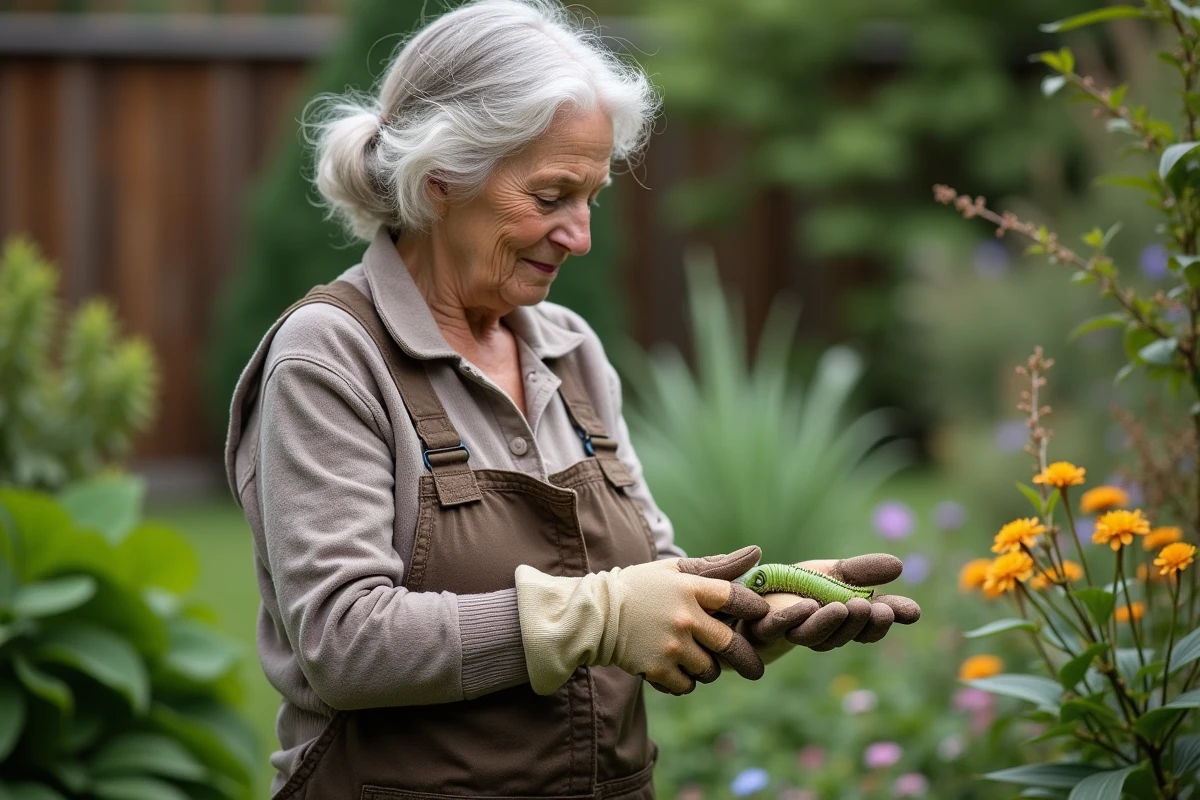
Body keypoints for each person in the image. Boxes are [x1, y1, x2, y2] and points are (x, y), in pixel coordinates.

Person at [223, 1, 920, 797]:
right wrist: (604, 617)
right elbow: (344, 642)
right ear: (442, 176)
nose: (580, 235)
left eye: (590, 196)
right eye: (551, 195)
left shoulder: (568, 347)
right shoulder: (332, 355)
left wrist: (755, 608)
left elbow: (640, 587)